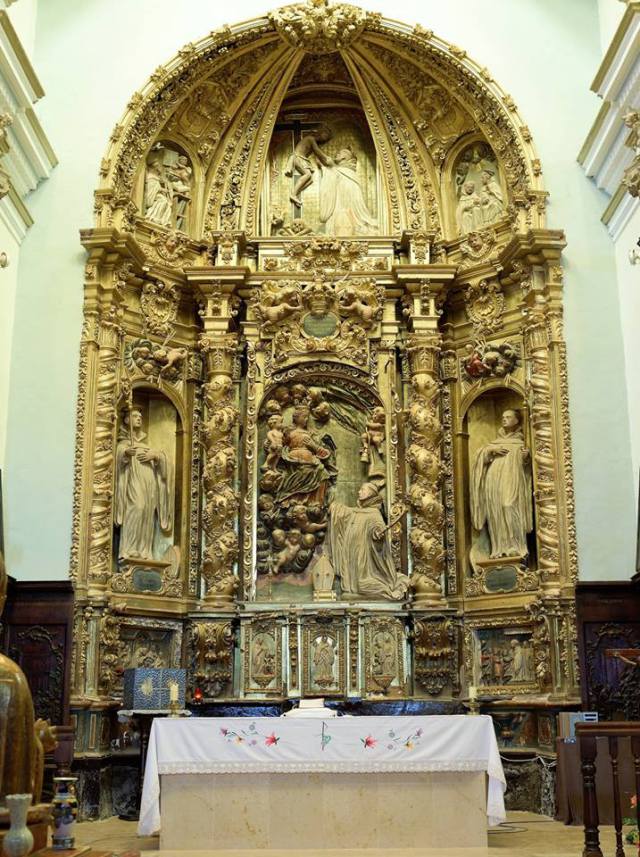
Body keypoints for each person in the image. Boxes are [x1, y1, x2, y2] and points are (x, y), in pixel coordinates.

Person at [325, 482, 409, 600]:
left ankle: (387, 590)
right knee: (352, 581)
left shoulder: (374, 513)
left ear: (370, 493)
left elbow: (378, 528)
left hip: (363, 554)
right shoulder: (358, 511)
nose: (359, 492)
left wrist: (377, 534)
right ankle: (352, 590)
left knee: (362, 583)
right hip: (351, 552)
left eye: (362, 489)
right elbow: (346, 512)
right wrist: (334, 507)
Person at [470, 409, 533, 558]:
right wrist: (491, 450)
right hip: (494, 481)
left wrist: (526, 457)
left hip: (513, 479)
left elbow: (530, 467)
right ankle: (500, 548)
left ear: (517, 421)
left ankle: (516, 546)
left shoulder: (522, 441)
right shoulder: (495, 442)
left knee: (509, 505)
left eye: (508, 417)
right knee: (495, 510)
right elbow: (480, 457)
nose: (504, 419)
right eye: (503, 417)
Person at [115, 409, 172, 560]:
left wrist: (156, 456)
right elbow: (118, 458)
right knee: (137, 507)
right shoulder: (124, 443)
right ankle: (128, 549)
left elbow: (164, 462)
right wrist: (126, 453)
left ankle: (144, 550)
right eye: (135, 416)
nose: (139, 418)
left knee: (147, 512)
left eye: (140, 416)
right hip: (134, 481)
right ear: (127, 420)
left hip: (149, 485)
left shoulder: (145, 444)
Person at [319, 147, 378, 236]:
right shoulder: (337, 170)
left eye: (341, 152)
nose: (337, 154)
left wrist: (330, 168)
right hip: (338, 204)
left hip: (348, 205)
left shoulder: (347, 172)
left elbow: (355, 196)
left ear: (345, 157)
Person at [285, 126, 333, 207]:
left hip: (302, 159)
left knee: (310, 180)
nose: (325, 139)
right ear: (321, 132)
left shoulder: (313, 141)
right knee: (307, 175)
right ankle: (293, 194)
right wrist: (326, 158)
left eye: (327, 138)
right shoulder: (311, 139)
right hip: (297, 157)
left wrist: (323, 162)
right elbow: (317, 151)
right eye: (325, 135)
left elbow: (317, 156)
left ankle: (296, 193)